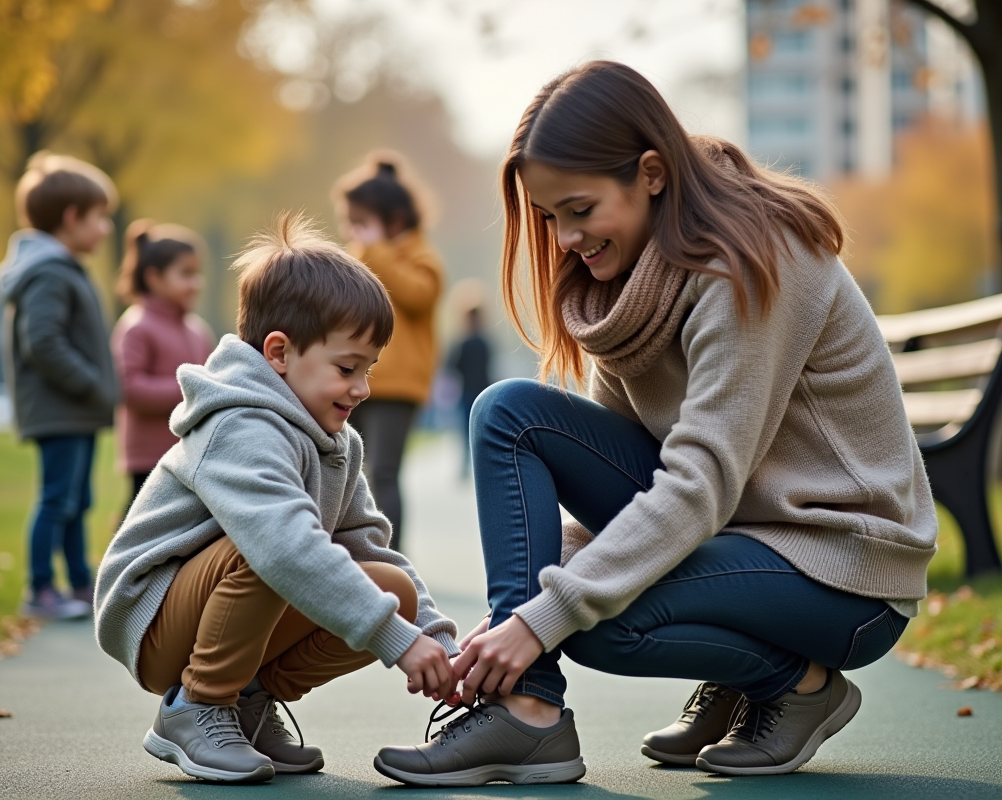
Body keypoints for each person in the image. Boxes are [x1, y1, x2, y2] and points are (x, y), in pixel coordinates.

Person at [374, 61, 937, 787]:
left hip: (839, 567)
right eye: (550, 218)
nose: (566, 237)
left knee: (598, 620)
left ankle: (795, 684)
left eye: (579, 209)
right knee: (508, 413)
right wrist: (519, 617)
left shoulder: (752, 260)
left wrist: (542, 617)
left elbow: (697, 482)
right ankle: (526, 707)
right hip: (742, 534)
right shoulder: (626, 287)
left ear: (651, 172)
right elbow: (622, 488)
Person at [93, 213, 459, 784]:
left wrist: (436, 641)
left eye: (369, 369)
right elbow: (282, 547)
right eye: (347, 368)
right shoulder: (238, 424)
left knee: (392, 591)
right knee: (269, 546)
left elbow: (369, 548)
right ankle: (198, 707)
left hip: (220, 596)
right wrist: (395, 642)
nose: (362, 388)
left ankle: (245, 704)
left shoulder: (336, 441)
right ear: (280, 353)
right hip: (153, 617)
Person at [0, 152, 119, 621]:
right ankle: (40, 588)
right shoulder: (47, 273)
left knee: (77, 499)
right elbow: (42, 342)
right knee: (56, 498)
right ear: (71, 218)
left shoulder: (61, 268)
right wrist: (88, 383)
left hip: (74, 409)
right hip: (60, 407)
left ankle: (80, 582)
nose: (105, 229)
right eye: (99, 217)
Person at [334, 153, 445, 551]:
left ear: (394, 222)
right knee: (345, 466)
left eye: (361, 224)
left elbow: (419, 295)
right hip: (354, 377)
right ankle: (348, 548)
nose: (352, 231)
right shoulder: (358, 255)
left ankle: (390, 555)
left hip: (399, 385)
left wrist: (376, 252)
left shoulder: (421, 257)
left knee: (384, 471)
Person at [111, 220, 215, 512]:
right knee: (141, 520)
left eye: (198, 274)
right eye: (186, 274)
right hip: (148, 455)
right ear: (154, 277)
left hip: (190, 452)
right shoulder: (137, 326)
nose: (197, 283)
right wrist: (192, 388)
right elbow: (129, 388)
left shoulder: (197, 329)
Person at [446, 303, 493, 478]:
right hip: (483, 390)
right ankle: (481, 465)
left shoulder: (462, 343)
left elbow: (451, 366)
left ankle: (466, 465)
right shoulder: (485, 342)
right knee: (481, 429)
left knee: (466, 430)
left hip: (467, 391)